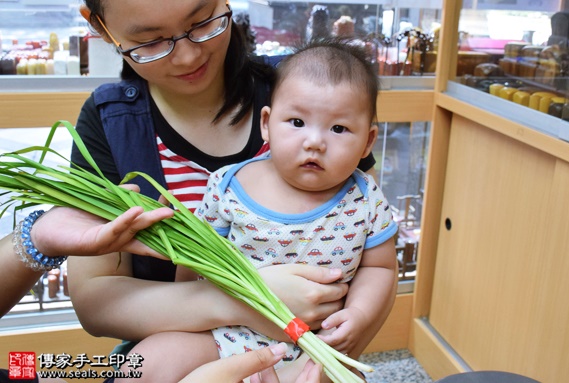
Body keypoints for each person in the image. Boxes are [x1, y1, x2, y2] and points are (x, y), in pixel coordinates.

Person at [67, 0, 392, 380]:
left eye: (203, 21)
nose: (187, 56)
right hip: (204, 339)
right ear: (102, 29)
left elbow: (376, 264)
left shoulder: (307, 87)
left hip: (317, 348)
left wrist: (330, 353)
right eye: (150, 41)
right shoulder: (110, 125)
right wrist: (247, 301)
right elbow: (97, 302)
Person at [0, 205, 320, 383]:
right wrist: (239, 301)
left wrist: (37, 236)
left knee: (48, 369)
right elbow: (95, 310)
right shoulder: (108, 114)